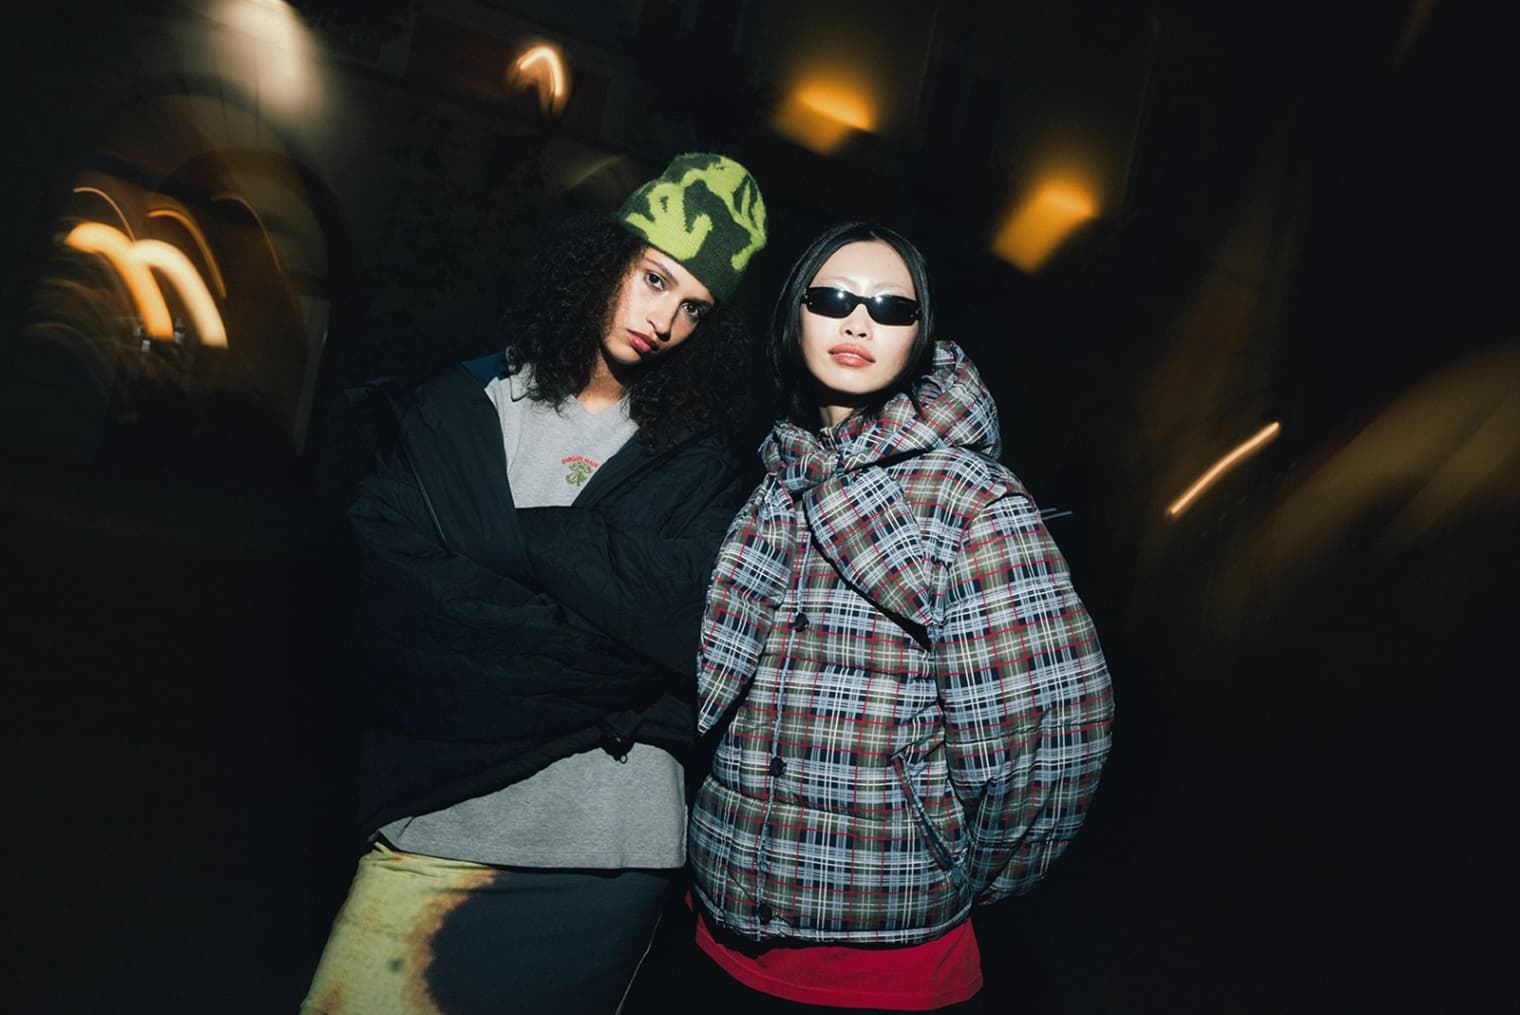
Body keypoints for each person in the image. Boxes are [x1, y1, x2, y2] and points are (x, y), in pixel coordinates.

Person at [301, 152, 768, 1014]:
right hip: (435, 822)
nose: (663, 319)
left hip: (606, 850)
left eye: (694, 307)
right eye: (654, 278)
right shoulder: (464, 407)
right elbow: (398, 628)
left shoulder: (702, 464)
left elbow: (688, 633)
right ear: (607, 256)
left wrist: (502, 549)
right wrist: (602, 630)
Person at [686, 222, 1114, 1012]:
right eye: (833, 298)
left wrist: (950, 865)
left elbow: (1049, 734)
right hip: (719, 928)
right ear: (794, 316)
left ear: (921, 336)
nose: (856, 322)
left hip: (883, 962)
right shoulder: (774, 477)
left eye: (889, 307)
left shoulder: (968, 497)